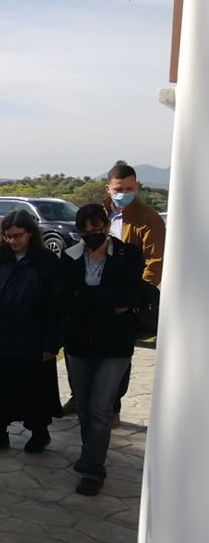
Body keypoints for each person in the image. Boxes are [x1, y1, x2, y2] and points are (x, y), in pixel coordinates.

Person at [59, 203, 143, 496]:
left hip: (114, 345)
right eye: (86, 229)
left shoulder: (128, 254)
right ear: (78, 230)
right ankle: (89, 453)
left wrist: (86, 297)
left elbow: (129, 294)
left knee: (100, 407)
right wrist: (105, 302)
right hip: (78, 343)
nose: (92, 233)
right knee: (83, 406)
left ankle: (94, 469)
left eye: (98, 228)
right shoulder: (69, 256)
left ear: (107, 226)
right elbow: (64, 298)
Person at [0, 210, 62, 454]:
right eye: (8, 236)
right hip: (0, 337)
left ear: (31, 234)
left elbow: (57, 305)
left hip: (33, 339)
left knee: (35, 390)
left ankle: (39, 433)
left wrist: (51, 342)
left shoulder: (47, 263)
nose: (13, 241)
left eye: (18, 236)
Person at [103, 161, 166, 424]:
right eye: (119, 188)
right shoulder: (99, 213)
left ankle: (113, 407)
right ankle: (79, 397)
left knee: (119, 353)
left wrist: (134, 297)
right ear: (108, 188)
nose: (124, 193)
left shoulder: (148, 219)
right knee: (86, 347)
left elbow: (154, 263)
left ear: (136, 186)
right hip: (95, 294)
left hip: (126, 298)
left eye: (129, 188)